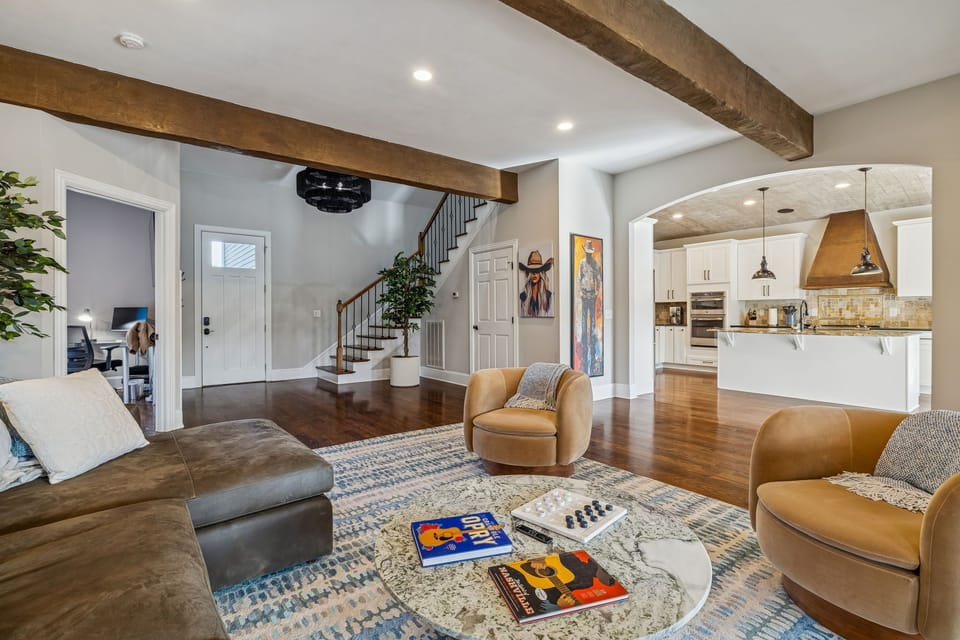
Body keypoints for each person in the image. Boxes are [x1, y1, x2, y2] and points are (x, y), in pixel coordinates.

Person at [577, 239, 601, 374]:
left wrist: (597, 292)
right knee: (583, 318)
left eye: (589, 252)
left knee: (592, 320)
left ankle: (591, 336)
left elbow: (599, 279)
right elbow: (579, 278)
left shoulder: (595, 264)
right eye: (587, 252)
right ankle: (585, 337)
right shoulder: (581, 263)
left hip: (592, 294)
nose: (588, 254)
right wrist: (580, 291)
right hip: (584, 293)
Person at [519, 250, 554, 317]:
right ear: (528, 274)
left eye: (537, 270)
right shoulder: (523, 296)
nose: (534, 273)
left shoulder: (548, 295)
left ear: (541, 274)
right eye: (532, 271)